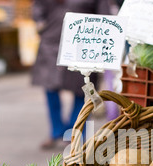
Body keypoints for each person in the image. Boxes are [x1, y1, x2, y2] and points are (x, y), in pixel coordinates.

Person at [31, 0, 112, 149]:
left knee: (82, 90)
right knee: (50, 87)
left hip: (83, 42)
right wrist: (39, 20)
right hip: (51, 40)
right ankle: (56, 132)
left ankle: (74, 134)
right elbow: (38, 6)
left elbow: (105, 15)